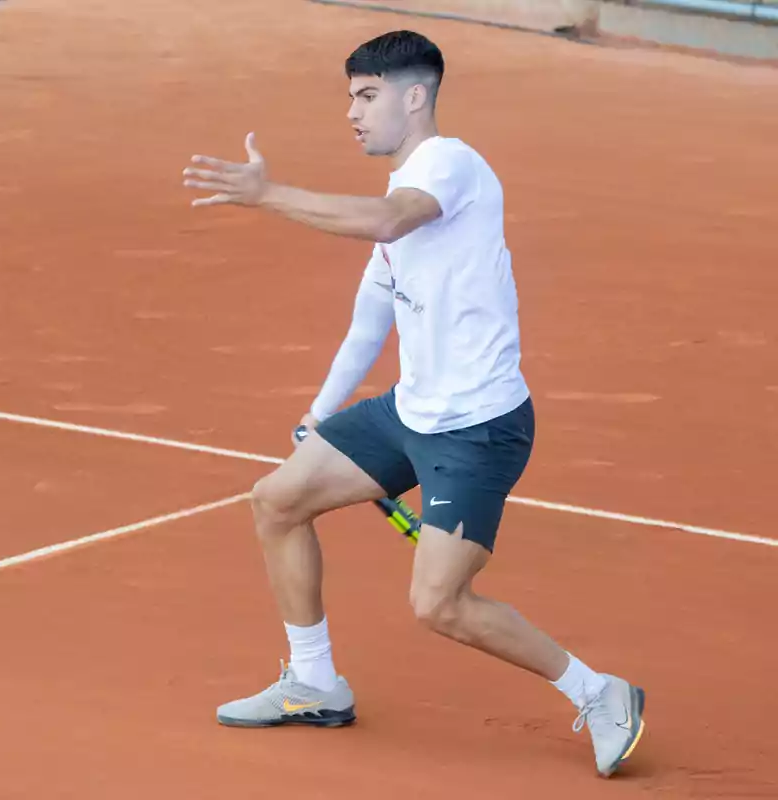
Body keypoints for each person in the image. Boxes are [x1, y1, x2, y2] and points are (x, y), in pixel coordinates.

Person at [181, 29, 645, 778]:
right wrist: (321, 414)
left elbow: (388, 218)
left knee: (441, 605)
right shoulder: (396, 219)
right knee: (277, 501)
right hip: (409, 412)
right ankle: (315, 681)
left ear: (415, 96)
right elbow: (370, 324)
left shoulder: (450, 166)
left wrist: (266, 195)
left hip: (479, 429)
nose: (352, 114)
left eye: (366, 96)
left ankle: (600, 693)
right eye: (351, 98)